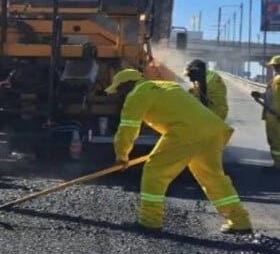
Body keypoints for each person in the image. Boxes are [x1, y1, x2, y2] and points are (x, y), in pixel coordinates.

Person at [108, 69, 252, 234]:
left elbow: (128, 128)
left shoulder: (137, 94)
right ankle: (241, 222)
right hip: (213, 131)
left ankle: (150, 221)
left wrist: (121, 156)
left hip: (186, 133)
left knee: (155, 171)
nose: (118, 94)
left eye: (118, 89)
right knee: (213, 179)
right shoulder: (168, 85)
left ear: (127, 84)